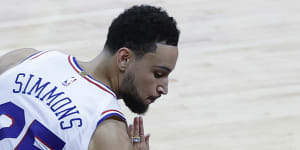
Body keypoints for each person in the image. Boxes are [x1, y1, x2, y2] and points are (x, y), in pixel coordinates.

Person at [0, 4, 180, 150]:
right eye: (158, 74)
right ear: (124, 59)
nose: (164, 88)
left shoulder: (24, 58)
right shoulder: (109, 133)